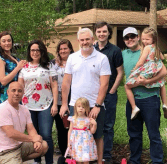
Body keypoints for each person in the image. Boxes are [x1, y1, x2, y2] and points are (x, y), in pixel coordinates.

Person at [60, 28, 111, 164]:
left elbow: (104, 84)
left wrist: (97, 106)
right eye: (82, 40)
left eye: (87, 39)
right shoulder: (72, 58)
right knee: (75, 134)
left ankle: (99, 161)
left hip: (95, 104)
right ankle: (74, 160)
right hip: (75, 105)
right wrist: (64, 103)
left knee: (98, 135)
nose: (85, 42)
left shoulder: (102, 58)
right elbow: (66, 82)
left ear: (92, 40)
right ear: (78, 41)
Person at [122, 27, 167, 164]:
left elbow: (164, 72)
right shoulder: (123, 54)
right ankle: (134, 161)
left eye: (132, 36)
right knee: (134, 134)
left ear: (137, 37)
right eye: (126, 37)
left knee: (153, 135)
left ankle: (157, 161)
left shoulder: (149, 50)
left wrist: (147, 81)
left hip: (150, 100)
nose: (130, 39)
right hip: (133, 101)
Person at [18, 40, 58, 164]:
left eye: (37, 50)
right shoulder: (24, 67)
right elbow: (20, 86)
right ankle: (37, 160)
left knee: (46, 135)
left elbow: (55, 86)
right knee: (33, 136)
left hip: (46, 105)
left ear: (42, 51)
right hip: (28, 106)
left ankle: (49, 161)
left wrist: (55, 104)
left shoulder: (49, 66)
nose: (35, 52)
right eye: (32, 50)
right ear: (29, 52)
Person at [0, 82, 48, 164]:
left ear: (23, 93)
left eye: (19, 91)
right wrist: (32, 139)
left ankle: (15, 160)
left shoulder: (24, 109)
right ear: (8, 92)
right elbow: (11, 133)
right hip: (3, 152)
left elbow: (31, 128)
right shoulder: (2, 109)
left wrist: (36, 141)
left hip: (19, 146)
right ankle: (1, 161)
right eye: (13, 90)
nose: (16, 93)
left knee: (43, 145)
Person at [124, 27, 167, 119]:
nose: (145, 41)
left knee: (126, 86)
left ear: (153, 39)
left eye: (147, 39)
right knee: (162, 83)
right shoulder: (156, 48)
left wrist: (135, 68)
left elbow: (141, 61)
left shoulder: (146, 48)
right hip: (155, 70)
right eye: (144, 39)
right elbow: (162, 58)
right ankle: (165, 104)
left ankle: (134, 107)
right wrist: (155, 60)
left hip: (147, 71)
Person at [94, 21, 124, 163]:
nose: (101, 34)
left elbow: (120, 72)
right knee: (92, 123)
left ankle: (106, 155)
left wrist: (112, 90)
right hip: (93, 95)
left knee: (108, 126)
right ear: (95, 33)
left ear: (108, 33)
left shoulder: (115, 50)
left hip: (109, 95)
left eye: (104, 31)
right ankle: (93, 152)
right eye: (99, 31)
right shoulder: (92, 49)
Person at [51, 39, 74, 156]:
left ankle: (74, 152)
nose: (63, 51)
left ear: (70, 49)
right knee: (61, 128)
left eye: (65, 48)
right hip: (58, 100)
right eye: (60, 49)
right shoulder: (53, 63)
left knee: (72, 127)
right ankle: (64, 153)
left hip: (73, 99)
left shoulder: (76, 60)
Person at [0, 31, 27, 103]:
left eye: (9, 41)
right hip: (7, 96)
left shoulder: (13, 57)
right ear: (0, 44)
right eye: (4, 41)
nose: (7, 43)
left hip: (17, 94)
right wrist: (18, 68)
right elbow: (3, 81)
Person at [67, 97, 97, 163]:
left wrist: (94, 125)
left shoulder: (88, 119)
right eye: (79, 106)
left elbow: (92, 131)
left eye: (83, 107)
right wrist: (69, 142)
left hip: (86, 143)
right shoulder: (73, 119)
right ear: (75, 107)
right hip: (76, 142)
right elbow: (70, 131)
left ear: (86, 108)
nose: (81, 108)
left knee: (86, 159)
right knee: (77, 159)